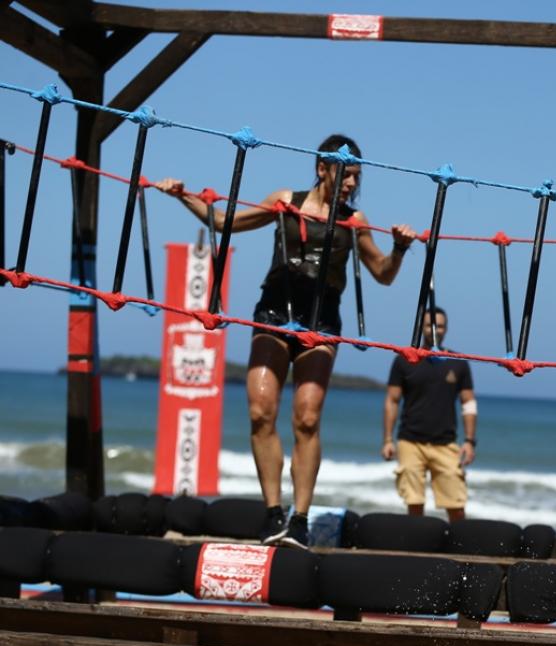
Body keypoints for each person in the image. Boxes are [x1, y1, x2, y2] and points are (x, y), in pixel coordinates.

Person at [155, 134, 416, 549]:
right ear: (322, 169)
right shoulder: (285, 201)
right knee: (260, 410)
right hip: (275, 314)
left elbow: (383, 273)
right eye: (346, 175)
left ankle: (300, 519)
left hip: (321, 323)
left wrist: (399, 249)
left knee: (307, 418)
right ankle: (273, 511)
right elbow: (223, 222)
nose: (352, 183)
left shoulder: (355, 219)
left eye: (357, 177)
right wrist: (182, 195)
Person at [382, 307, 477, 522]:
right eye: (429, 325)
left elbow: (469, 403)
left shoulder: (458, 362)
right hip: (410, 442)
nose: (435, 330)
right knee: (414, 503)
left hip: (445, 443)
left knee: (456, 505)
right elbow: (392, 400)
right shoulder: (404, 360)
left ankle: (458, 540)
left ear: (446, 329)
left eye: (440, 326)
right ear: (421, 327)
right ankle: (418, 540)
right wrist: (387, 440)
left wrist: (470, 441)